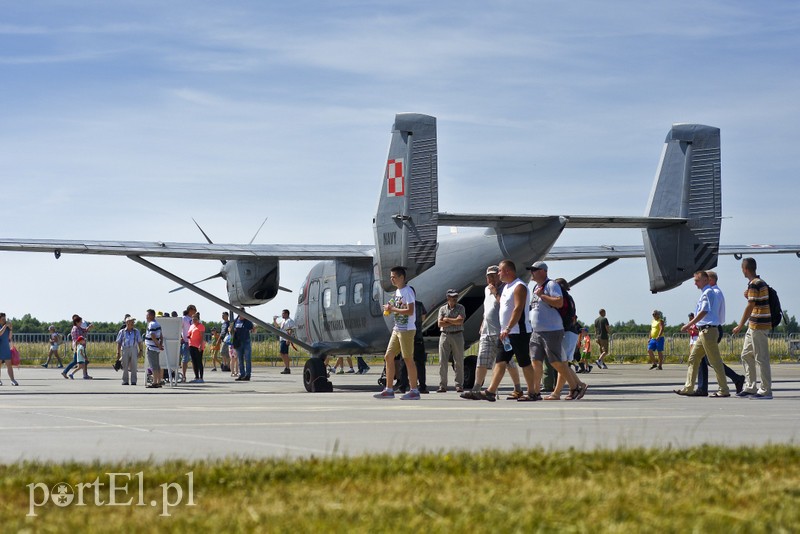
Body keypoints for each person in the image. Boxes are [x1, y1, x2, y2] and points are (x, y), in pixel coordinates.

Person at [474, 260, 538, 402]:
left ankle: (533, 392)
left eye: (500, 271)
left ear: (508, 271)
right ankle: (490, 391)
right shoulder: (507, 287)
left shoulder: (519, 286)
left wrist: (508, 327)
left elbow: (518, 309)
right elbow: (502, 306)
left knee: (524, 362)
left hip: (518, 331)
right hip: (506, 333)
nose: (498, 274)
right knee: (500, 361)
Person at [461, 265, 523, 400]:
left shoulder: (504, 289)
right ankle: (476, 388)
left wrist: (495, 292)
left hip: (500, 331)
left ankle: (518, 388)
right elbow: (487, 308)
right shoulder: (486, 289)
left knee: (508, 362)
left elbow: (505, 306)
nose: (491, 278)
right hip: (487, 331)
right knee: (481, 360)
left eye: (494, 275)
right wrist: (483, 322)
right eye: (489, 276)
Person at [528, 262, 587, 401]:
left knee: (558, 362)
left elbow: (559, 303)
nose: (531, 272)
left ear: (543, 271)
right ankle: (535, 391)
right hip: (537, 331)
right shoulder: (536, 287)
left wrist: (542, 295)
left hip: (554, 330)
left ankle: (573, 387)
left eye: (534, 270)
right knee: (536, 361)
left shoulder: (550, 285)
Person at [675, 271, 730, 397]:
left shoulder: (708, 293)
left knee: (715, 361)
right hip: (704, 331)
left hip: (708, 331)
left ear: (705, 280)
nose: (695, 283)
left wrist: (689, 325)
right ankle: (688, 387)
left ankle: (724, 389)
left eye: (697, 280)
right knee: (693, 359)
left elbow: (704, 311)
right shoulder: (707, 293)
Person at [374, 266, 420, 400]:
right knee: (388, 356)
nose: (392, 279)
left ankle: (414, 390)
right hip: (397, 328)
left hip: (407, 329)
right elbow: (395, 306)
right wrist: (389, 308)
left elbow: (410, 311)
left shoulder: (408, 291)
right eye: (391, 277)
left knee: (407, 358)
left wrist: (393, 309)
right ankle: (388, 389)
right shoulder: (398, 292)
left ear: (402, 277)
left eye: (394, 277)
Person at [696, 271, 745, 395]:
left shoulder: (713, 293)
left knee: (710, 360)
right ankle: (704, 387)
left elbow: (710, 312)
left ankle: (733, 380)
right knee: (706, 359)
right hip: (712, 327)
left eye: (704, 279)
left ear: (710, 280)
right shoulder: (714, 292)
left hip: (712, 327)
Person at [732, 257, 773, 399]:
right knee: (746, 354)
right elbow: (756, 302)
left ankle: (765, 390)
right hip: (754, 325)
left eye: (742, 269)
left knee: (761, 358)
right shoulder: (756, 283)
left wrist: (740, 325)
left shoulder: (755, 284)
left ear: (745, 269)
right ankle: (750, 387)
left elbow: (750, 306)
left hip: (759, 325)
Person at [550, 278, 585, 399]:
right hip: (570, 332)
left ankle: (558, 392)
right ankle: (579, 385)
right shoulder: (568, 298)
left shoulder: (563, 299)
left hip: (567, 332)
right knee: (563, 364)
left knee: (562, 364)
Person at [437, 289, 466, 393]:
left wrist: (447, 319)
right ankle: (443, 385)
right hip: (445, 335)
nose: (455, 299)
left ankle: (459, 385)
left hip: (457, 335)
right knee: (442, 361)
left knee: (458, 361)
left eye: (456, 297)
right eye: (452, 297)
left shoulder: (461, 308)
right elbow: (440, 324)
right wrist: (454, 321)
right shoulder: (442, 309)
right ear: (448, 298)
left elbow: (460, 321)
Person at [115, 316, 142, 385]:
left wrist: (141, 350)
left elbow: (139, 341)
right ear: (127, 323)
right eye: (131, 322)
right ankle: (125, 380)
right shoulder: (122, 331)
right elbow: (119, 342)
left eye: (133, 322)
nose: (133, 323)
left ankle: (133, 381)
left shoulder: (136, 331)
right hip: (125, 349)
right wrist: (118, 352)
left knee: (134, 365)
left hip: (134, 348)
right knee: (125, 365)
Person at [63, 315, 92, 379]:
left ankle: (84, 374)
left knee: (78, 361)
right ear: (77, 322)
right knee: (78, 361)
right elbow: (78, 339)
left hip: (79, 346)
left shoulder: (78, 328)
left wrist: (89, 328)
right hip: (78, 347)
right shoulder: (75, 329)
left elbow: (84, 330)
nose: (81, 323)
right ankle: (67, 372)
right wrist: (77, 347)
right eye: (80, 322)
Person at [145, 308, 164, 389]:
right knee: (157, 365)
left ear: (151, 315)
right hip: (156, 348)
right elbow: (161, 336)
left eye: (147, 315)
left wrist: (158, 345)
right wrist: (160, 345)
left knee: (153, 366)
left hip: (152, 348)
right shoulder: (158, 324)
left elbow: (152, 336)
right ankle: (159, 381)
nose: (146, 317)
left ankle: (155, 382)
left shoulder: (151, 324)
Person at [233, 313, 256, 381]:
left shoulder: (248, 322)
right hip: (238, 342)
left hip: (246, 341)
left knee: (247, 359)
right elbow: (231, 329)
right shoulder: (236, 321)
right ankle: (241, 374)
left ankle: (247, 375)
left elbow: (253, 330)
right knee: (240, 359)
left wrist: (254, 329)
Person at [273, 309, 296, 374]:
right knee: (283, 353)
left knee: (283, 353)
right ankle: (287, 367)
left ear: (286, 314)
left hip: (285, 339)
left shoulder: (290, 321)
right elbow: (277, 326)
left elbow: (290, 330)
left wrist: (289, 339)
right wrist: (274, 320)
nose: (282, 315)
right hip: (282, 338)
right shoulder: (283, 321)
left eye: (283, 313)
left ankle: (287, 367)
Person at [0, 313, 18, 386]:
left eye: (5, 319)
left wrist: (10, 329)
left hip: (6, 348)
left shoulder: (7, 327)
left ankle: (12, 380)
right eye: (3, 319)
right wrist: (5, 326)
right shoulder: (3, 326)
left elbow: (9, 338)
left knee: (9, 365)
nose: (4, 320)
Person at [187, 312, 206, 383]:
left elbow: (202, 337)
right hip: (191, 344)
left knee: (199, 361)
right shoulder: (191, 326)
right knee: (194, 361)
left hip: (198, 345)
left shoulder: (200, 326)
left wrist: (201, 345)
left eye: (195, 318)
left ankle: (201, 377)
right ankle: (196, 376)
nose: (194, 320)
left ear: (198, 319)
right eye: (193, 318)